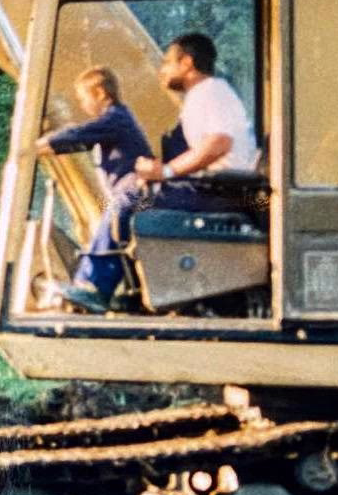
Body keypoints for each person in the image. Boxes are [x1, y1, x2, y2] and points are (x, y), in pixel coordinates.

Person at [36, 65, 153, 313]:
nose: (82, 105)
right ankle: (128, 292)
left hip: (136, 193)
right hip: (126, 193)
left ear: (100, 93)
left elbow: (79, 134)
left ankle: (92, 286)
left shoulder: (116, 118)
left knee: (116, 216)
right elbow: (81, 141)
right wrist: (51, 147)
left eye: (83, 98)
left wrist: (41, 144)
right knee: (114, 219)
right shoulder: (113, 121)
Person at [134, 31, 259, 187]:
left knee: (135, 195)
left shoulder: (212, 91)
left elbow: (220, 143)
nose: (162, 71)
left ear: (187, 63)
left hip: (224, 188)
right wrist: (155, 170)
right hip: (213, 184)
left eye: (167, 63)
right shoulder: (200, 94)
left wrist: (166, 172)